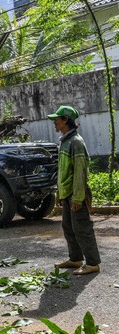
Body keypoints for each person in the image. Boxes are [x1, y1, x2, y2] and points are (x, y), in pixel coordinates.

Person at [48, 105, 101, 275]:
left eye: (57, 119)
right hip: (67, 193)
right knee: (68, 227)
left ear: (65, 120)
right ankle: (75, 259)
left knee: (82, 228)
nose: (54, 122)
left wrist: (78, 198)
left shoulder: (76, 142)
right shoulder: (65, 141)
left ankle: (92, 263)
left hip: (76, 194)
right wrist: (59, 192)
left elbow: (80, 172)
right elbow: (62, 169)